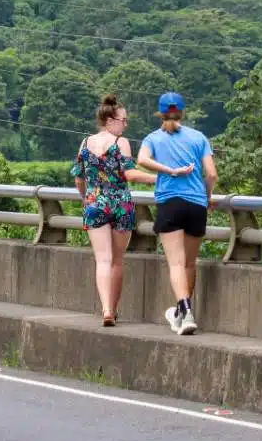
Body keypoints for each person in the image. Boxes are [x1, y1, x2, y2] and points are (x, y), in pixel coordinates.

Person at [71, 95, 157, 327]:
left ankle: (106, 309)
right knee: (117, 260)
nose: (125, 124)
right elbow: (129, 174)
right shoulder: (121, 143)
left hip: (94, 201)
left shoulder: (85, 142)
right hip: (120, 202)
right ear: (110, 120)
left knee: (102, 259)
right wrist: (159, 178)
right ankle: (114, 309)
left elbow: (79, 179)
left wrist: (87, 199)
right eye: (123, 120)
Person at [137, 92, 217, 336]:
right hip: (196, 205)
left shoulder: (153, 138)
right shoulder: (198, 137)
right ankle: (184, 314)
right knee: (190, 263)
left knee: (176, 263)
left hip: (170, 203)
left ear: (160, 113)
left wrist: (169, 171)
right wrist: (207, 196)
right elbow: (211, 174)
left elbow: (142, 160)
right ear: (183, 111)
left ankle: (185, 310)